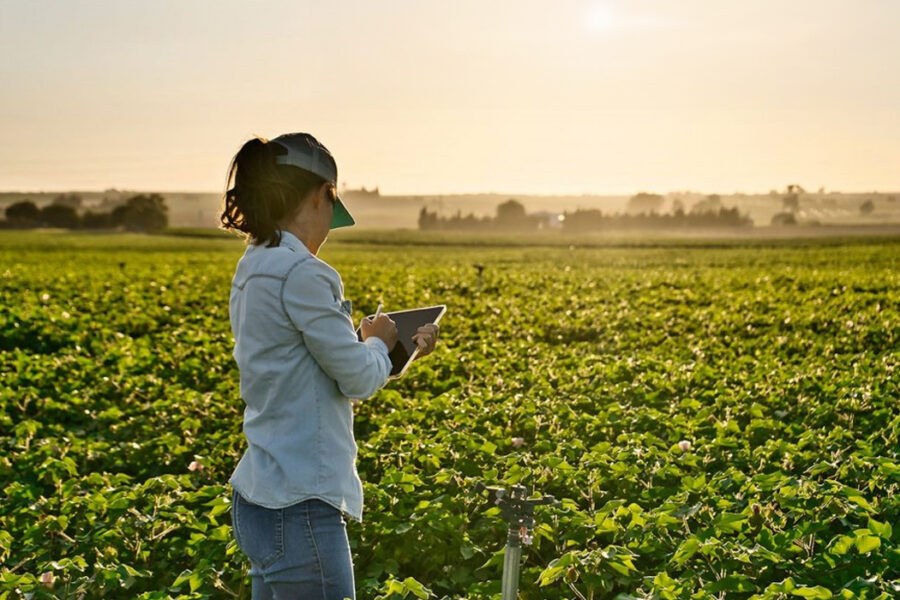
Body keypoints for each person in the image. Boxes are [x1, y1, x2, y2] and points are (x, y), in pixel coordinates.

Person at [219, 132, 439, 600]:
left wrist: (370, 346)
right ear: (322, 196)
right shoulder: (306, 273)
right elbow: (358, 378)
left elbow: (311, 371)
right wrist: (378, 344)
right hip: (299, 505)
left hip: (260, 497)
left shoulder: (253, 265)